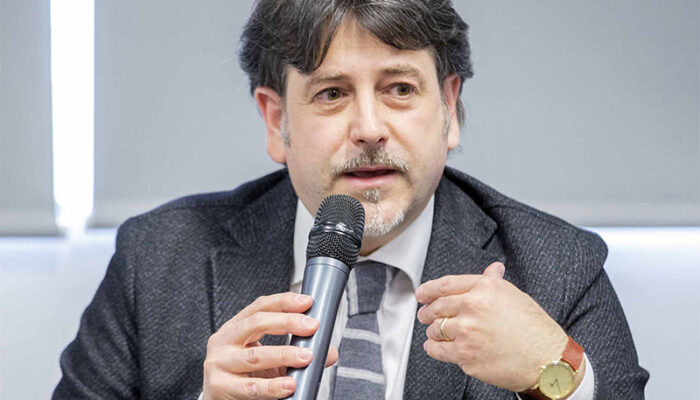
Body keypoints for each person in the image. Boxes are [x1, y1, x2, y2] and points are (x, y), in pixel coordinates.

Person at [53, 1, 649, 399]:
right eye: (332, 93)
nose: (369, 128)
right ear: (276, 120)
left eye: (399, 89)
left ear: (448, 108)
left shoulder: (556, 267)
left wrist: (558, 377)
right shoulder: (157, 259)